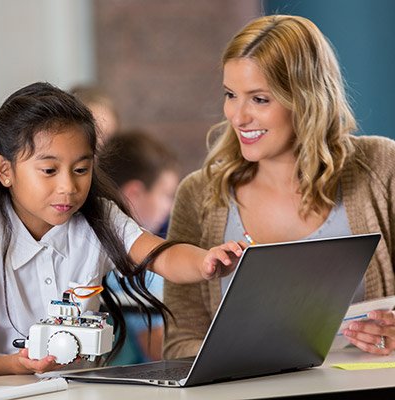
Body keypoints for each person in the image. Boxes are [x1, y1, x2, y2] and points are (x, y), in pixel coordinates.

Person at [0, 82, 243, 377]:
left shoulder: (99, 218)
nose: (68, 186)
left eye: (81, 169)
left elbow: (161, 255)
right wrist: (21, 364)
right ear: (5, 170)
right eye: (49, 170)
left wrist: (205, 261)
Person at [163, 14, 395, 360]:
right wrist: (242, 360)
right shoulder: (199, 195)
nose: (237, 116)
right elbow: (180, 342)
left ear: (307, 99)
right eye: (230, 94)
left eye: (259, 99)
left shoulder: (381, 166)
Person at [99, 130, 180, 362]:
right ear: (134, 193)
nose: (170, 208)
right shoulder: (146, 261)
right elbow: (159, 350)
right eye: (166, 195)